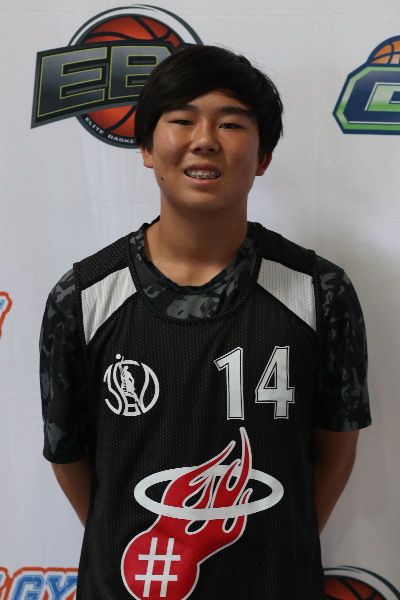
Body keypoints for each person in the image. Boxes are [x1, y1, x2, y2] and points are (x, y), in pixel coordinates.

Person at [39, 45, 371, 600]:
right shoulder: (82, 298)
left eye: (231, 123)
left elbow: (336, 448)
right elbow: (69, 456)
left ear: (263, 156)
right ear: (147, 147)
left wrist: (277, 548)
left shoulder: (320, 292)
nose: (205, 139)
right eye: (182, 120)